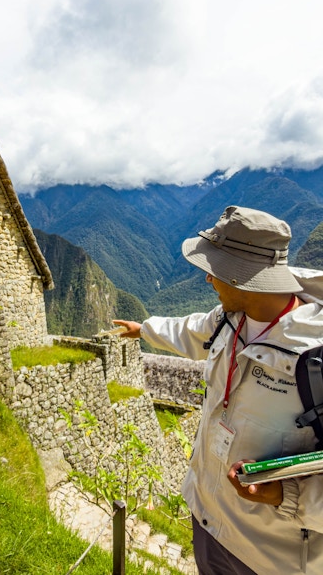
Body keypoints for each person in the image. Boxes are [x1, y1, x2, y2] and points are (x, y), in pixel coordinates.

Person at [114, 205, 323, 575]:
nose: (209, 280)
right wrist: (143, 328)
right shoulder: (230, 318)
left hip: (272, 555)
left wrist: (288, 496)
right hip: (209, 520)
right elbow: (191, 331)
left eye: (216, 272)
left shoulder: (314, 356)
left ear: (245, 278)